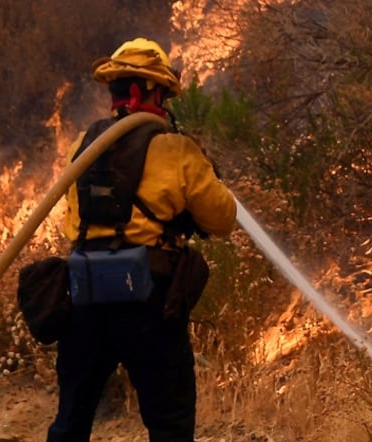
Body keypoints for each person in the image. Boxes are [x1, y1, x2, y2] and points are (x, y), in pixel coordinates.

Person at [48, 38, 236, 442]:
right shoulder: (175, 149)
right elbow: (223, 220)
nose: (165, 104)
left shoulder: (82, 147)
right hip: (148, 306)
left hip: (84, 301)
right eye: (163, 94)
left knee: (70, 422)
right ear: (141, 91)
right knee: (170, 424)